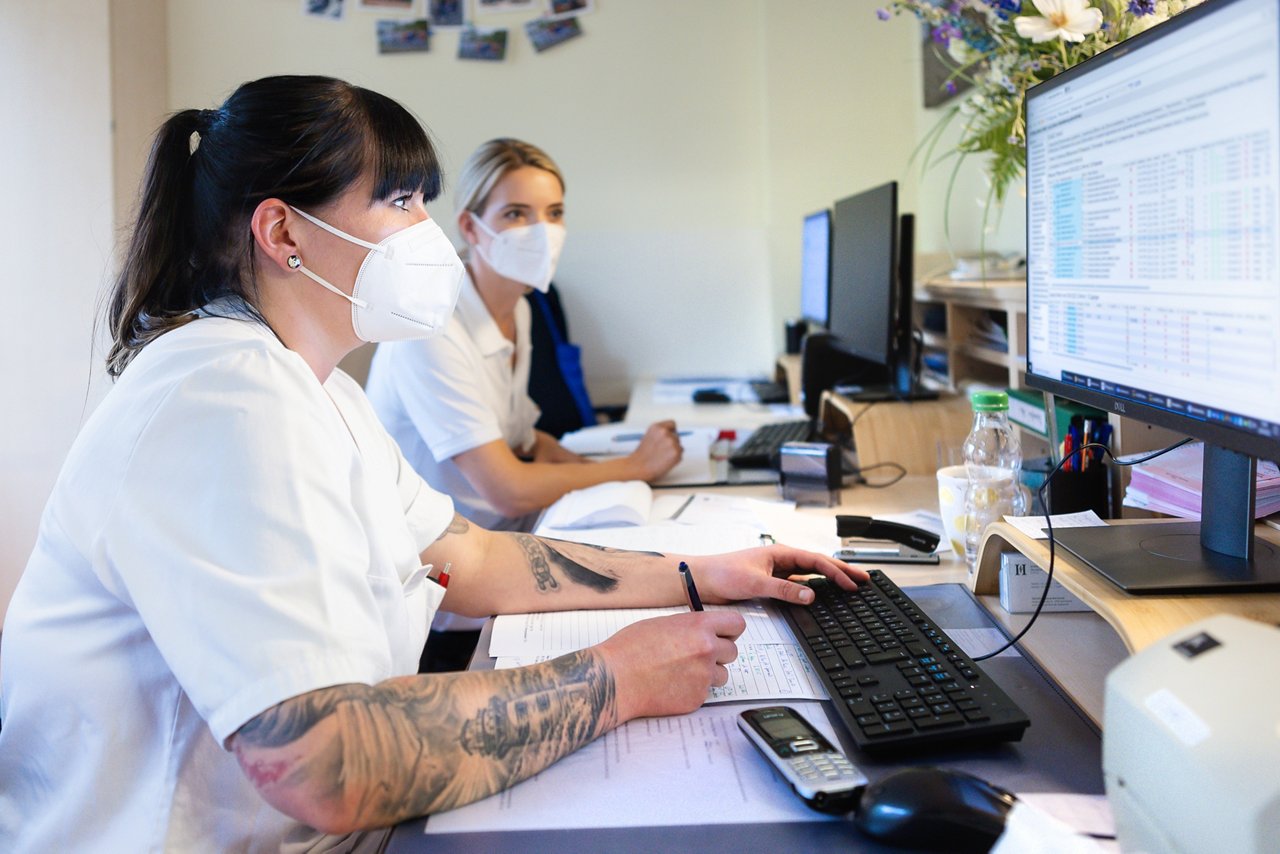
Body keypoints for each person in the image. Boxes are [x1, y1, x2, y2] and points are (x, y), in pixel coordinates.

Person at [0, 76, 865, 851]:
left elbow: (470, 554)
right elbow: (322, 763)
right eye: (401, 201)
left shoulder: (312, 387)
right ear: (282, 232)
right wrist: (622, 677)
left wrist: (701, 572)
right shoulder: (222, 397)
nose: (428, 234)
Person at [364, 138, 682, 537]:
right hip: (445, 558)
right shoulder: (427, 327)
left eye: (554, 214)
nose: (541, 232)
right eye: (516, 214)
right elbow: (507, 491)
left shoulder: (520, 308)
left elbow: (524, 442)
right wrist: (635, 467)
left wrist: (598, 471)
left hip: (511, 531)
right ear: (470, 228)